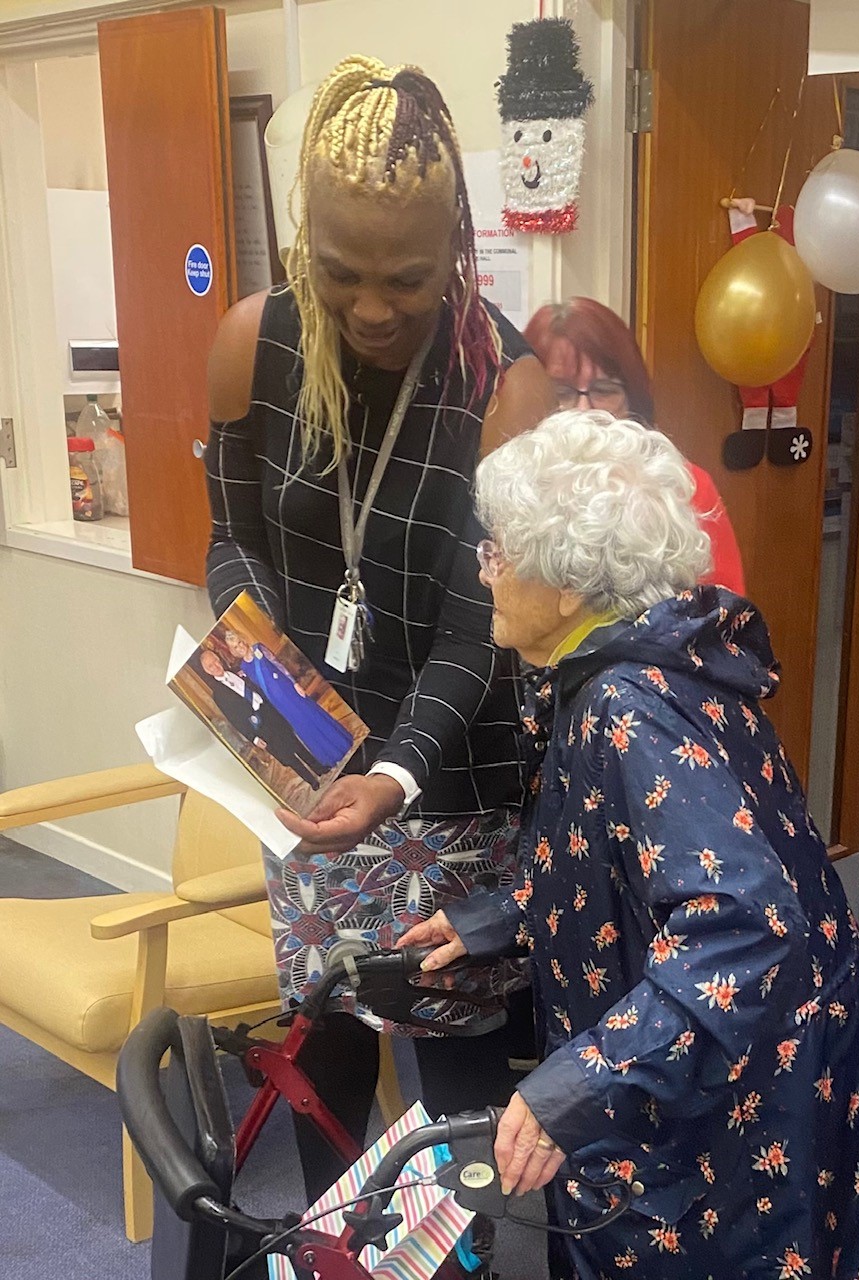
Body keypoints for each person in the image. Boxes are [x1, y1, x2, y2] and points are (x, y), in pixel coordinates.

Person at [400, 411, 859, 1279]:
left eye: (499, 549)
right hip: (762, 1058)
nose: (483, 569)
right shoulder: (658, 666)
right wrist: (494, 918)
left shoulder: (629, 706)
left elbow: (746, 929)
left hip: (731, 1103)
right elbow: (627, 862)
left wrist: (574, 1087)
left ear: (570, 581)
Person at [204, 55, 555, 1203]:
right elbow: (232, 541)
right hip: (308, 768)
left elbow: (481, 624)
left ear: (456, 246)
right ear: (305, 241)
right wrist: (270, 700)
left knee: (454, 1101)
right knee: (328, 1052)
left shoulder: (504, 382)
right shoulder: (252, 342)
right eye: (341, 271)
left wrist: (393, 773)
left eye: (406, 277)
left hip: (449, 787)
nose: (371, 307)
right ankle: (329, 1250)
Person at [524, 297, 746, 596]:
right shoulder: (511, 493)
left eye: (604, 390)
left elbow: (724, 622)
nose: (584, 411)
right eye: (561, 392)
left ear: (633, 398)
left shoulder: (684, 489)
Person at [198, 649, 328, 788]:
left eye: (215, 661)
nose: (216, 666)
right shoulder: (218, 695)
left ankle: (319, 768)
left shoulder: (237, 670)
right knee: (287, 755)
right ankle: (312, 781)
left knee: (294, 741)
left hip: (269, 712)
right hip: (259, 727)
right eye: (210, 666)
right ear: (207, 671)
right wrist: (253, 738)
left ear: (219, 658)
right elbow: (234, 720)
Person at [224, 631, 354, 769]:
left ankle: (339, 743)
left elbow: (279, 665)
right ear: (234, 651)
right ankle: (329, 755)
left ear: (243, 640)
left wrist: (295, 683)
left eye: (239, 642)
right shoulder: (244, 667)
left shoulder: (259, 648)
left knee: (311, 714)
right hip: (276, 702)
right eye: (236, 647)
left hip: (288, 690)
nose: (240, 647)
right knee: (301, 725)